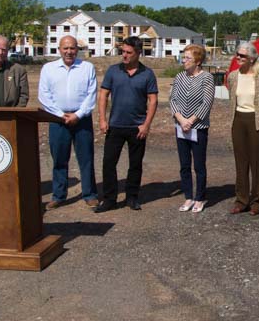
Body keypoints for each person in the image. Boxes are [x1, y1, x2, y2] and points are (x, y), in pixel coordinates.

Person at [95, 37, 158, 213]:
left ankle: (132, 197)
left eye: (129, 52)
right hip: (115, 126)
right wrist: (102, 119)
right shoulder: (113, 71)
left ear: (138, 53)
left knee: (135, 164)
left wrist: (146, 125)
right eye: (123, 51)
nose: (124, 55)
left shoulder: (147, 74)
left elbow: (153, 100)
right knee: (108, 163)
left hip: (137, 128)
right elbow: (103, 95)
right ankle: (109, 199)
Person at [38, 35, 98, 210]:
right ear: (59, 49)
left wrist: (78, 115)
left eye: (72, 48)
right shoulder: (48, 69)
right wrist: (60, 115)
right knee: (59, 159)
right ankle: (59, 195)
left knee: (86, 159)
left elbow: (91, 95)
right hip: (57, 120)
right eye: (65, 48)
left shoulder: (87, 67)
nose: (69, 52)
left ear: (77, 49)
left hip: (82, 120)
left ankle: (90, 194)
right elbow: (44, 95)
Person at [227, 42, 259, 215]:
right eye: (237, 54)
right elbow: (232, 100)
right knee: (241, 163)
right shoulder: (233, 76)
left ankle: (258, 201)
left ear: (252, 58)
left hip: (257, 122)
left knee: (257, 163)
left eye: (242, 56)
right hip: (238, 121)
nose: (238, 58)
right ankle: (241, 200)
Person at [170, 44, 215, 213]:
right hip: (181, 127)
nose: (184, 60)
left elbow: (207, 102)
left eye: (188, 58)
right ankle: (188, 196)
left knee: (199, 165)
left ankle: (200, 197)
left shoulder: (207, 78)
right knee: (184, 164)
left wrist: (191, 120)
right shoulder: (180, 76)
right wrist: (181, 120)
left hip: (199, 128)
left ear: (198, 61)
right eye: (184, 57)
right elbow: (173, 99)